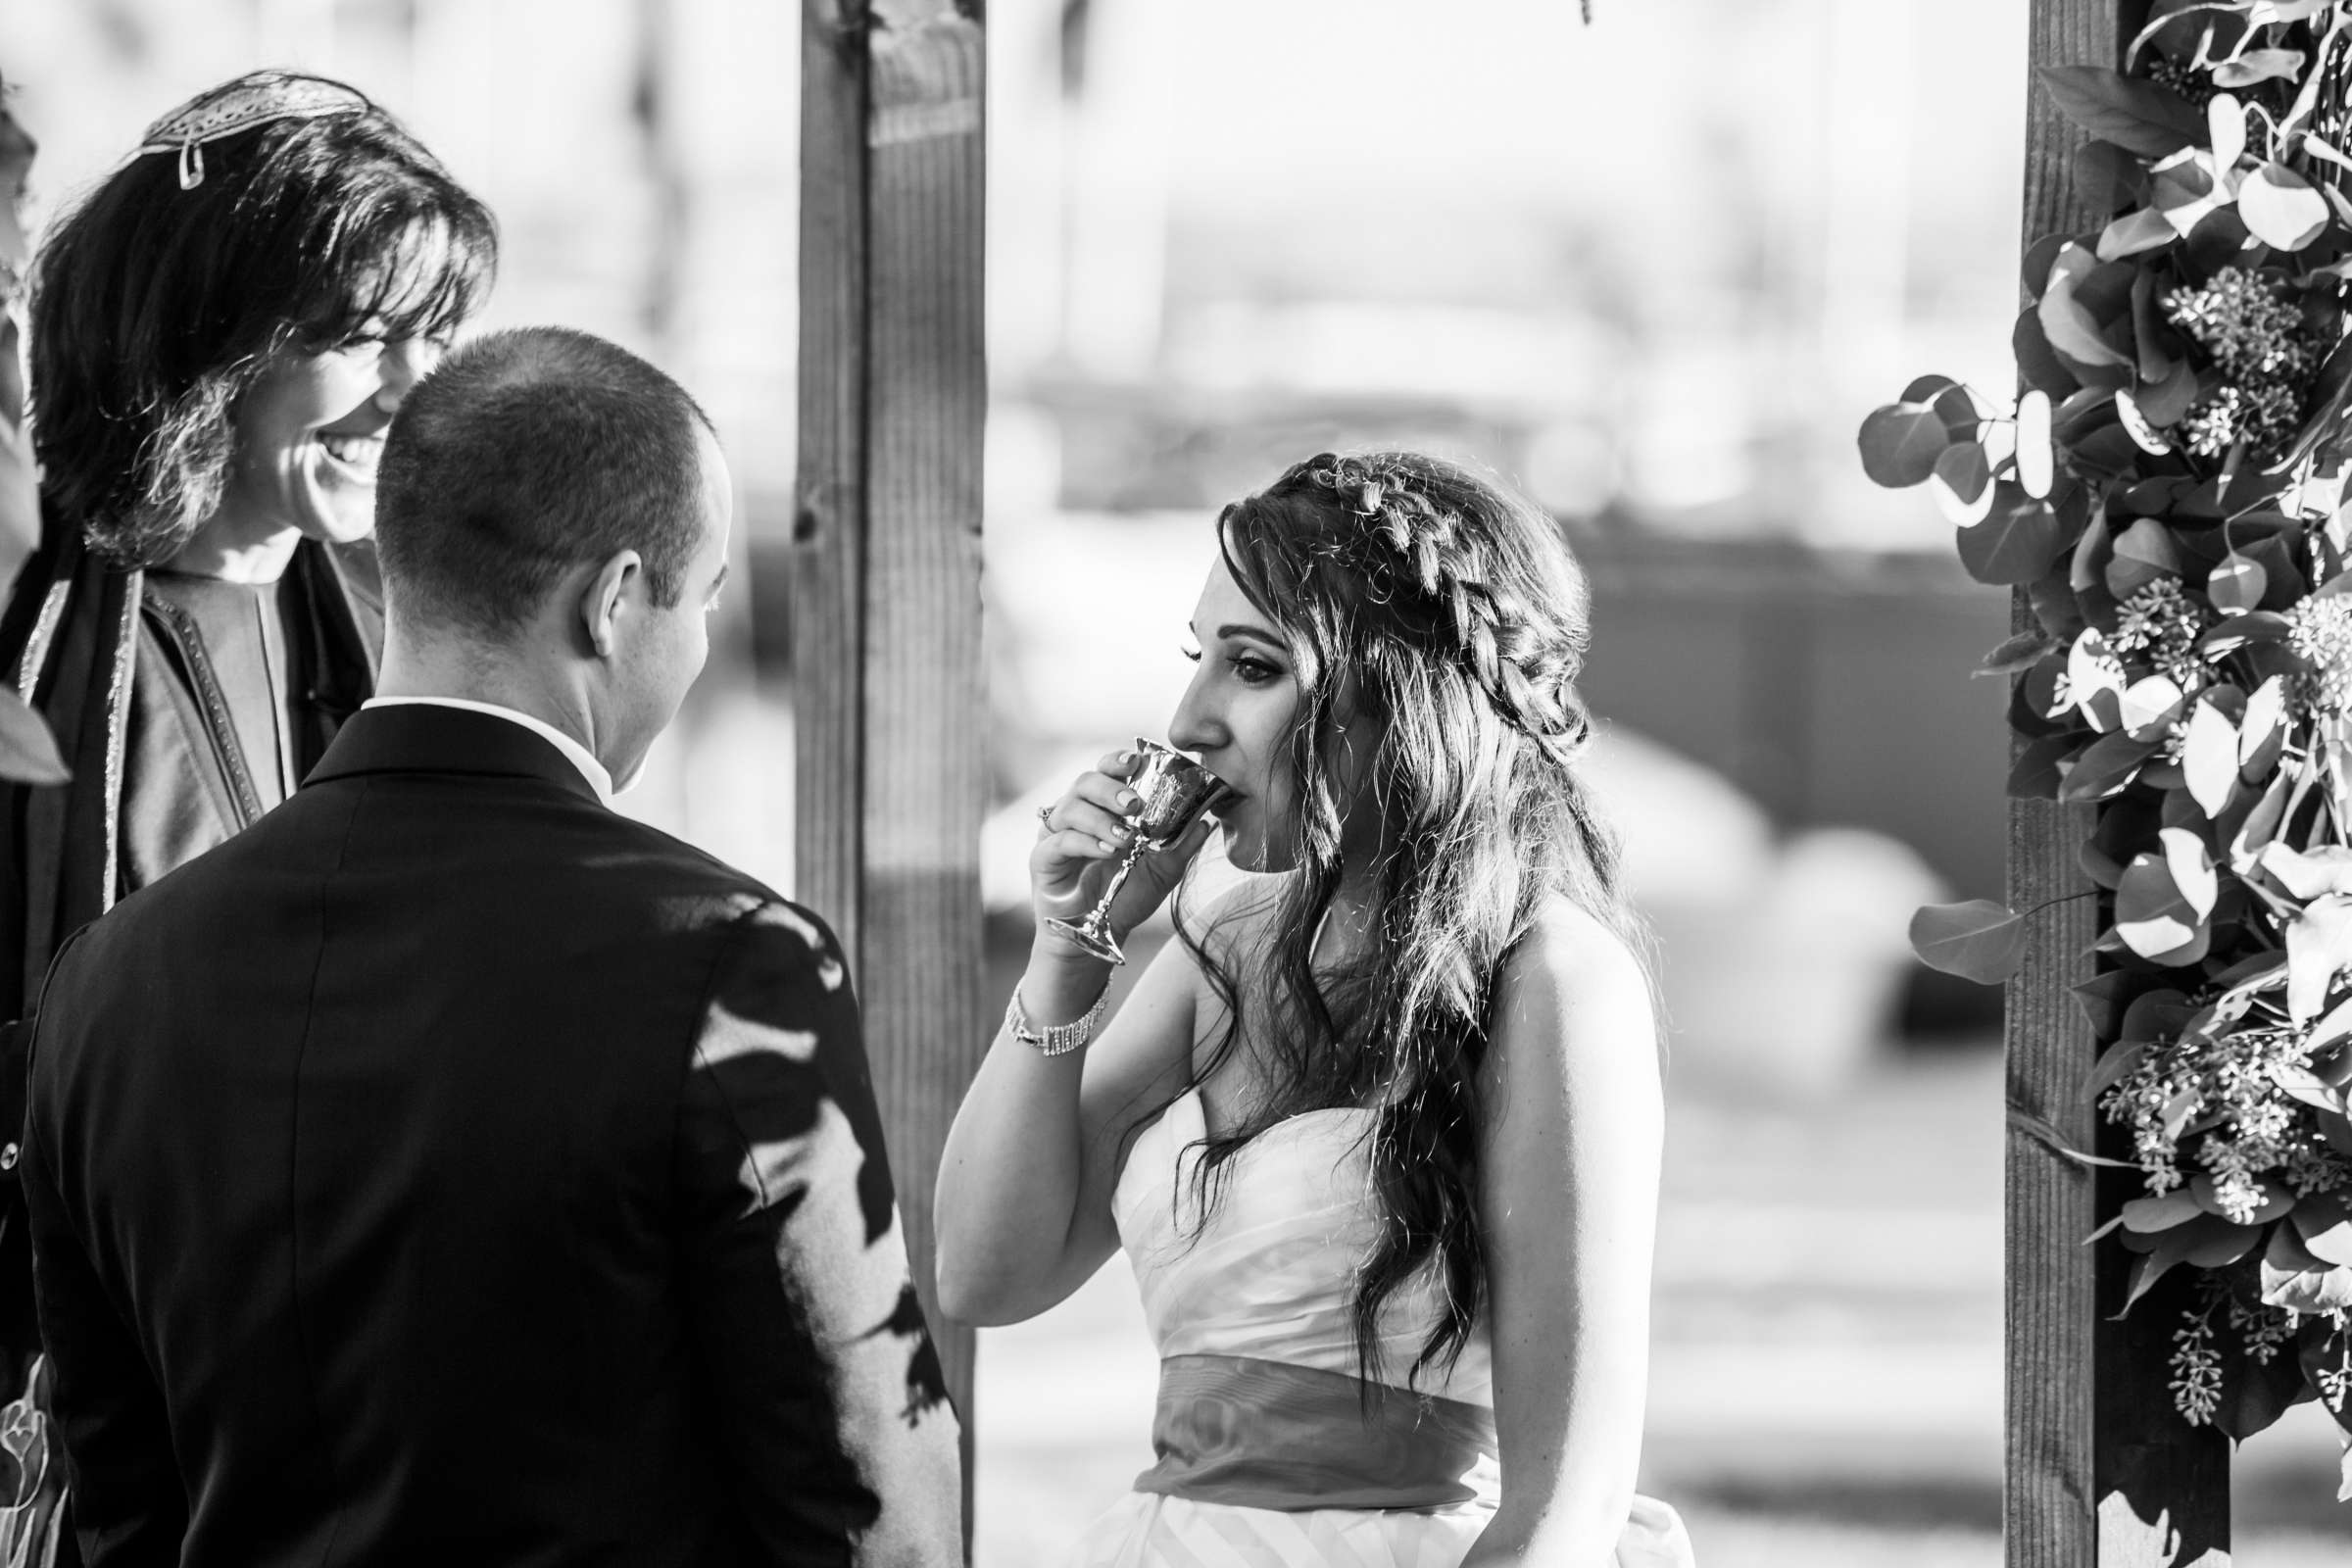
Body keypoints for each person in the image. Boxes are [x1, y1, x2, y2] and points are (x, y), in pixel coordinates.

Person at [17, 325, 963, 1566]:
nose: (699, 648)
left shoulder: (106, 979)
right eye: (707, 598)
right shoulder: (728, 967)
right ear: (616, 602)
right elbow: (866, 1498)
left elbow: (115, 1506)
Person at [936, 452, 1695, 1567]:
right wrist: (1067, 950)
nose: (1188, 720)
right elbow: (982, 1273)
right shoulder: (1227, 944)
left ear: (1402, 689)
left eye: (1251, 667)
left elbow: (1564, 1512)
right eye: (1197, 661)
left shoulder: (1555, 985)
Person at [0, 73, 496, 1511]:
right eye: (359, 336)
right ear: (201, 344)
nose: (415, 388)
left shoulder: (385, 627)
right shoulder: (36, 691)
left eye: (437, 335)